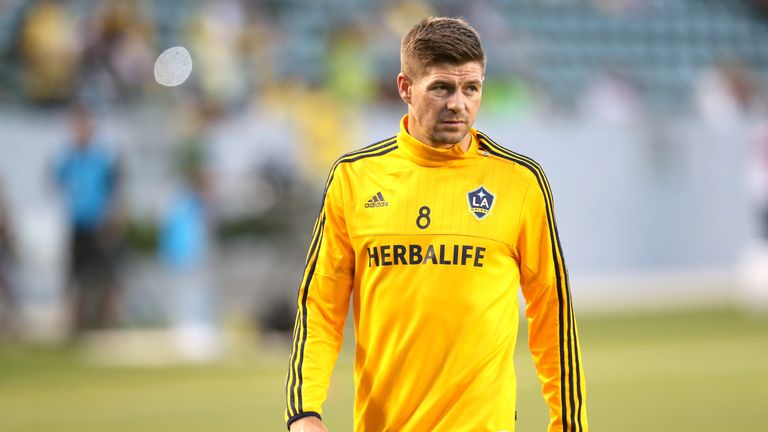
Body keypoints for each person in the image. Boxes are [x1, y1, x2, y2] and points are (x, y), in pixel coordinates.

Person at [285, 17, 588, 432]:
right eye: (442, 88)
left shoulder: (519, 182)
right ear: (406, 88)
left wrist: (569, 423)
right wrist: (303, 411)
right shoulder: (354, 179)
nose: (458, 104)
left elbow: (552, 311)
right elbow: (319, 306)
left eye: (471, 89)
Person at [54, 104, 122, 334]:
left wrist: (110, 217)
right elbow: (58, 182)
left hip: (99, 224)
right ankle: (76, 326)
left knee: (106, 275)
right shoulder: (68, 157)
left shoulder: (103, 158)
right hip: (77, 223)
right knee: (75, 276)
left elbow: (115, 190)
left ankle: (107, 326)